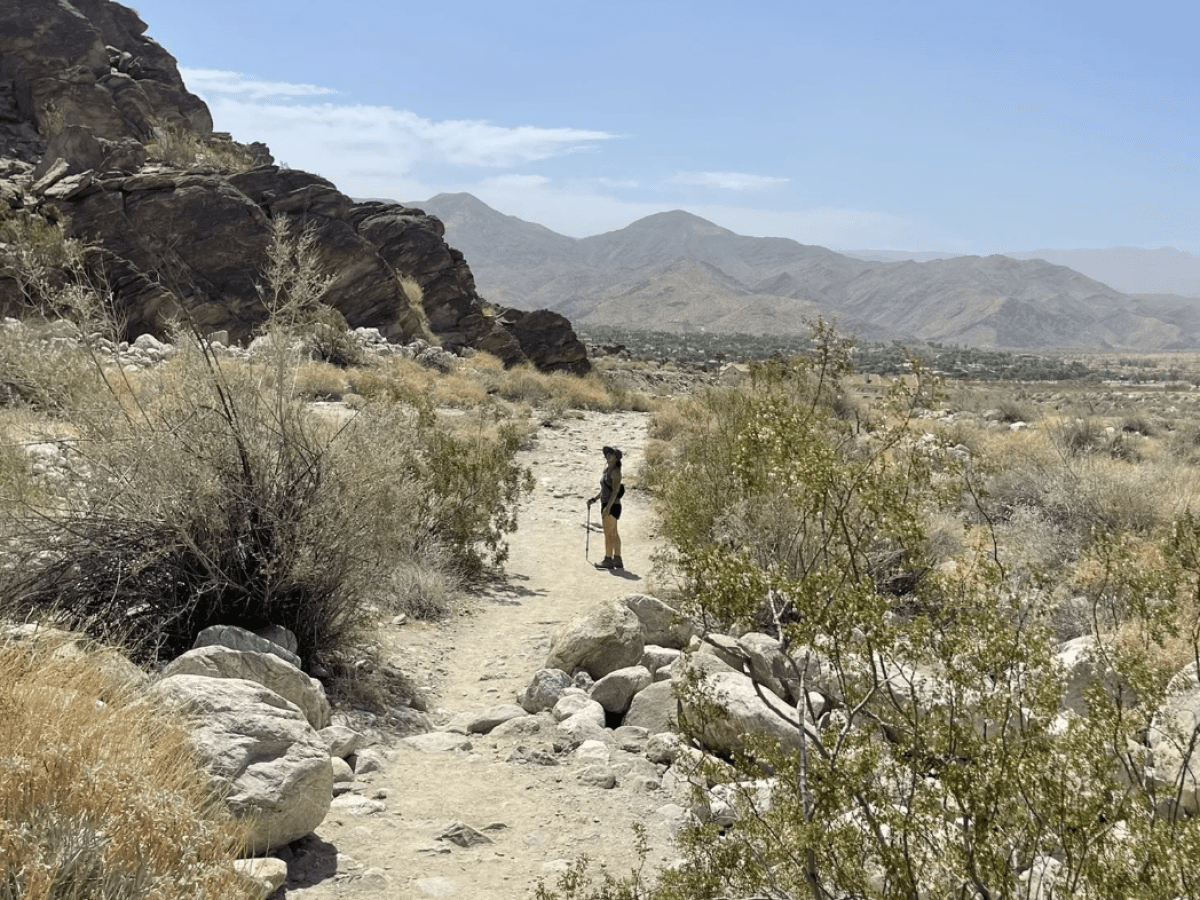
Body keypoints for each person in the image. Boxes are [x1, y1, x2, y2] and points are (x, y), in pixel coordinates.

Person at [587, 445, 624, 570]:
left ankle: (608, 560)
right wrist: (594, 499)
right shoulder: (607, 471)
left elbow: (614, 491)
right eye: (607, 453)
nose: (608, 455)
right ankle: (617, 559)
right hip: (608, 504)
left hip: (612, 505)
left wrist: (607, 508)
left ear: (616, 458)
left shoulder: (616, 472)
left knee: (608, 533)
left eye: (611, 453)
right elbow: (604, 490)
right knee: (614, 533)